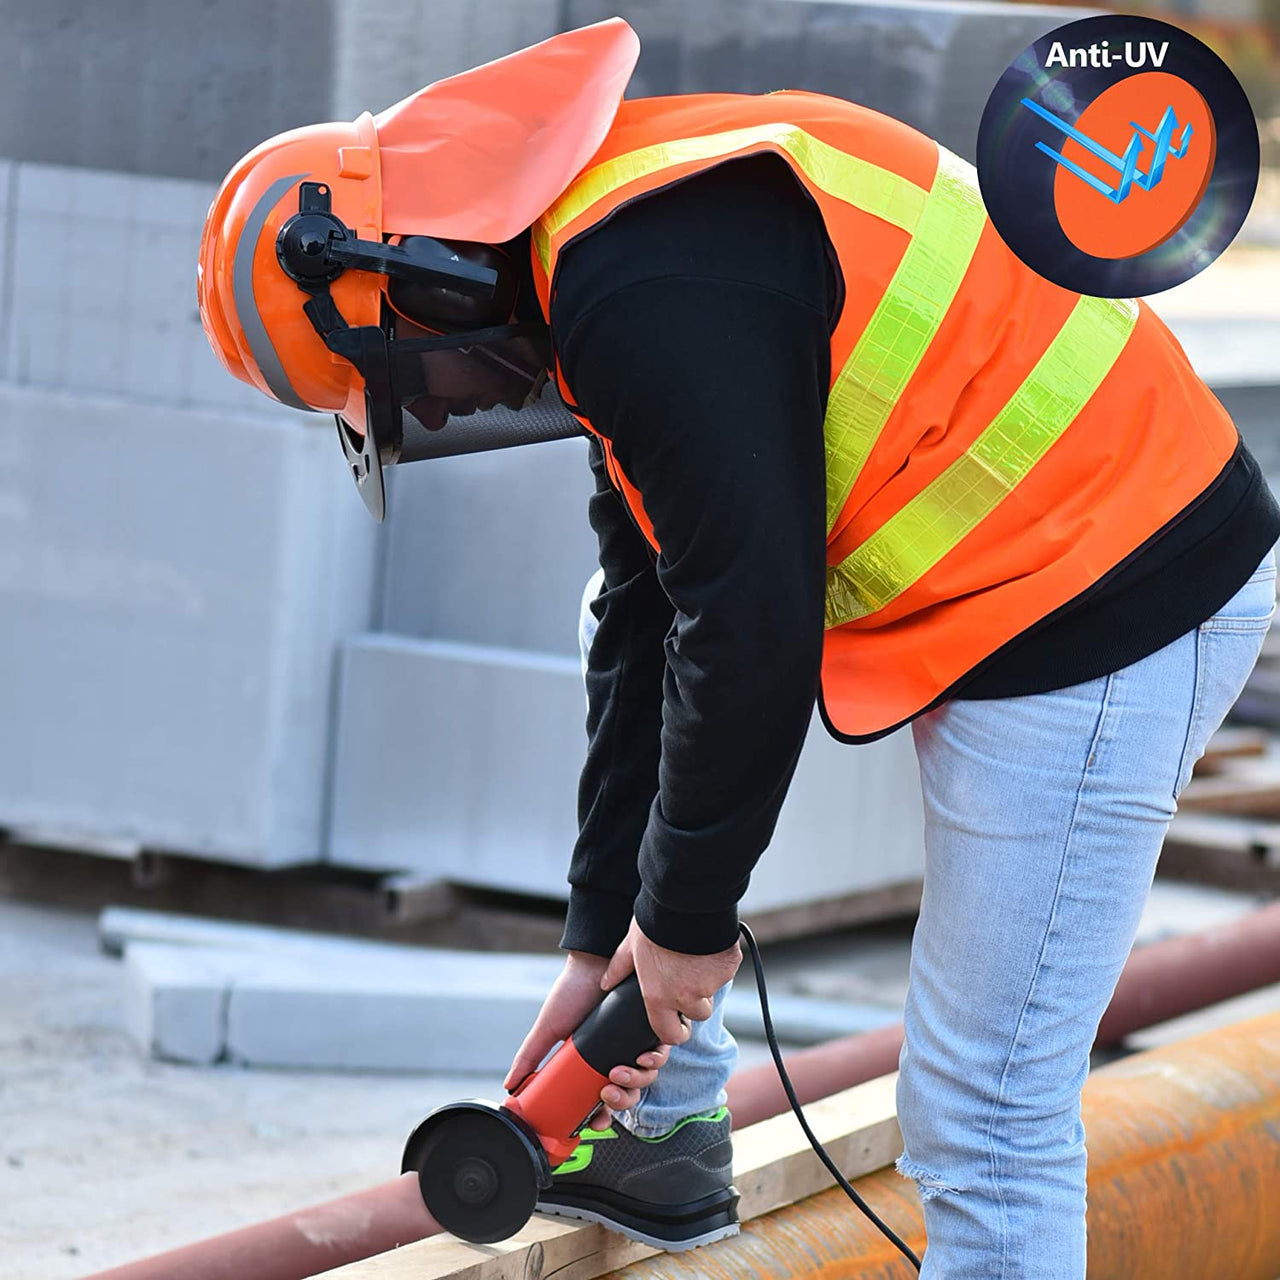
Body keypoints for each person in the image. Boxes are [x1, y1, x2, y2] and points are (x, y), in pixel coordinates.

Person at [198, 19, 1280, 1276]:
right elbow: (647, 616)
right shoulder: (593, 258)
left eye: (418, 385)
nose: (457, 405)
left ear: (428, 281)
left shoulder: (648, 289)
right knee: (620, 636)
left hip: (1109, 592)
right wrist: (605, 937)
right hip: (1020, 571)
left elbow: (750, 629)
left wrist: (686, 927)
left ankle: (679, 1094)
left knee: (982, 1112)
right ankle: (660, 1128)